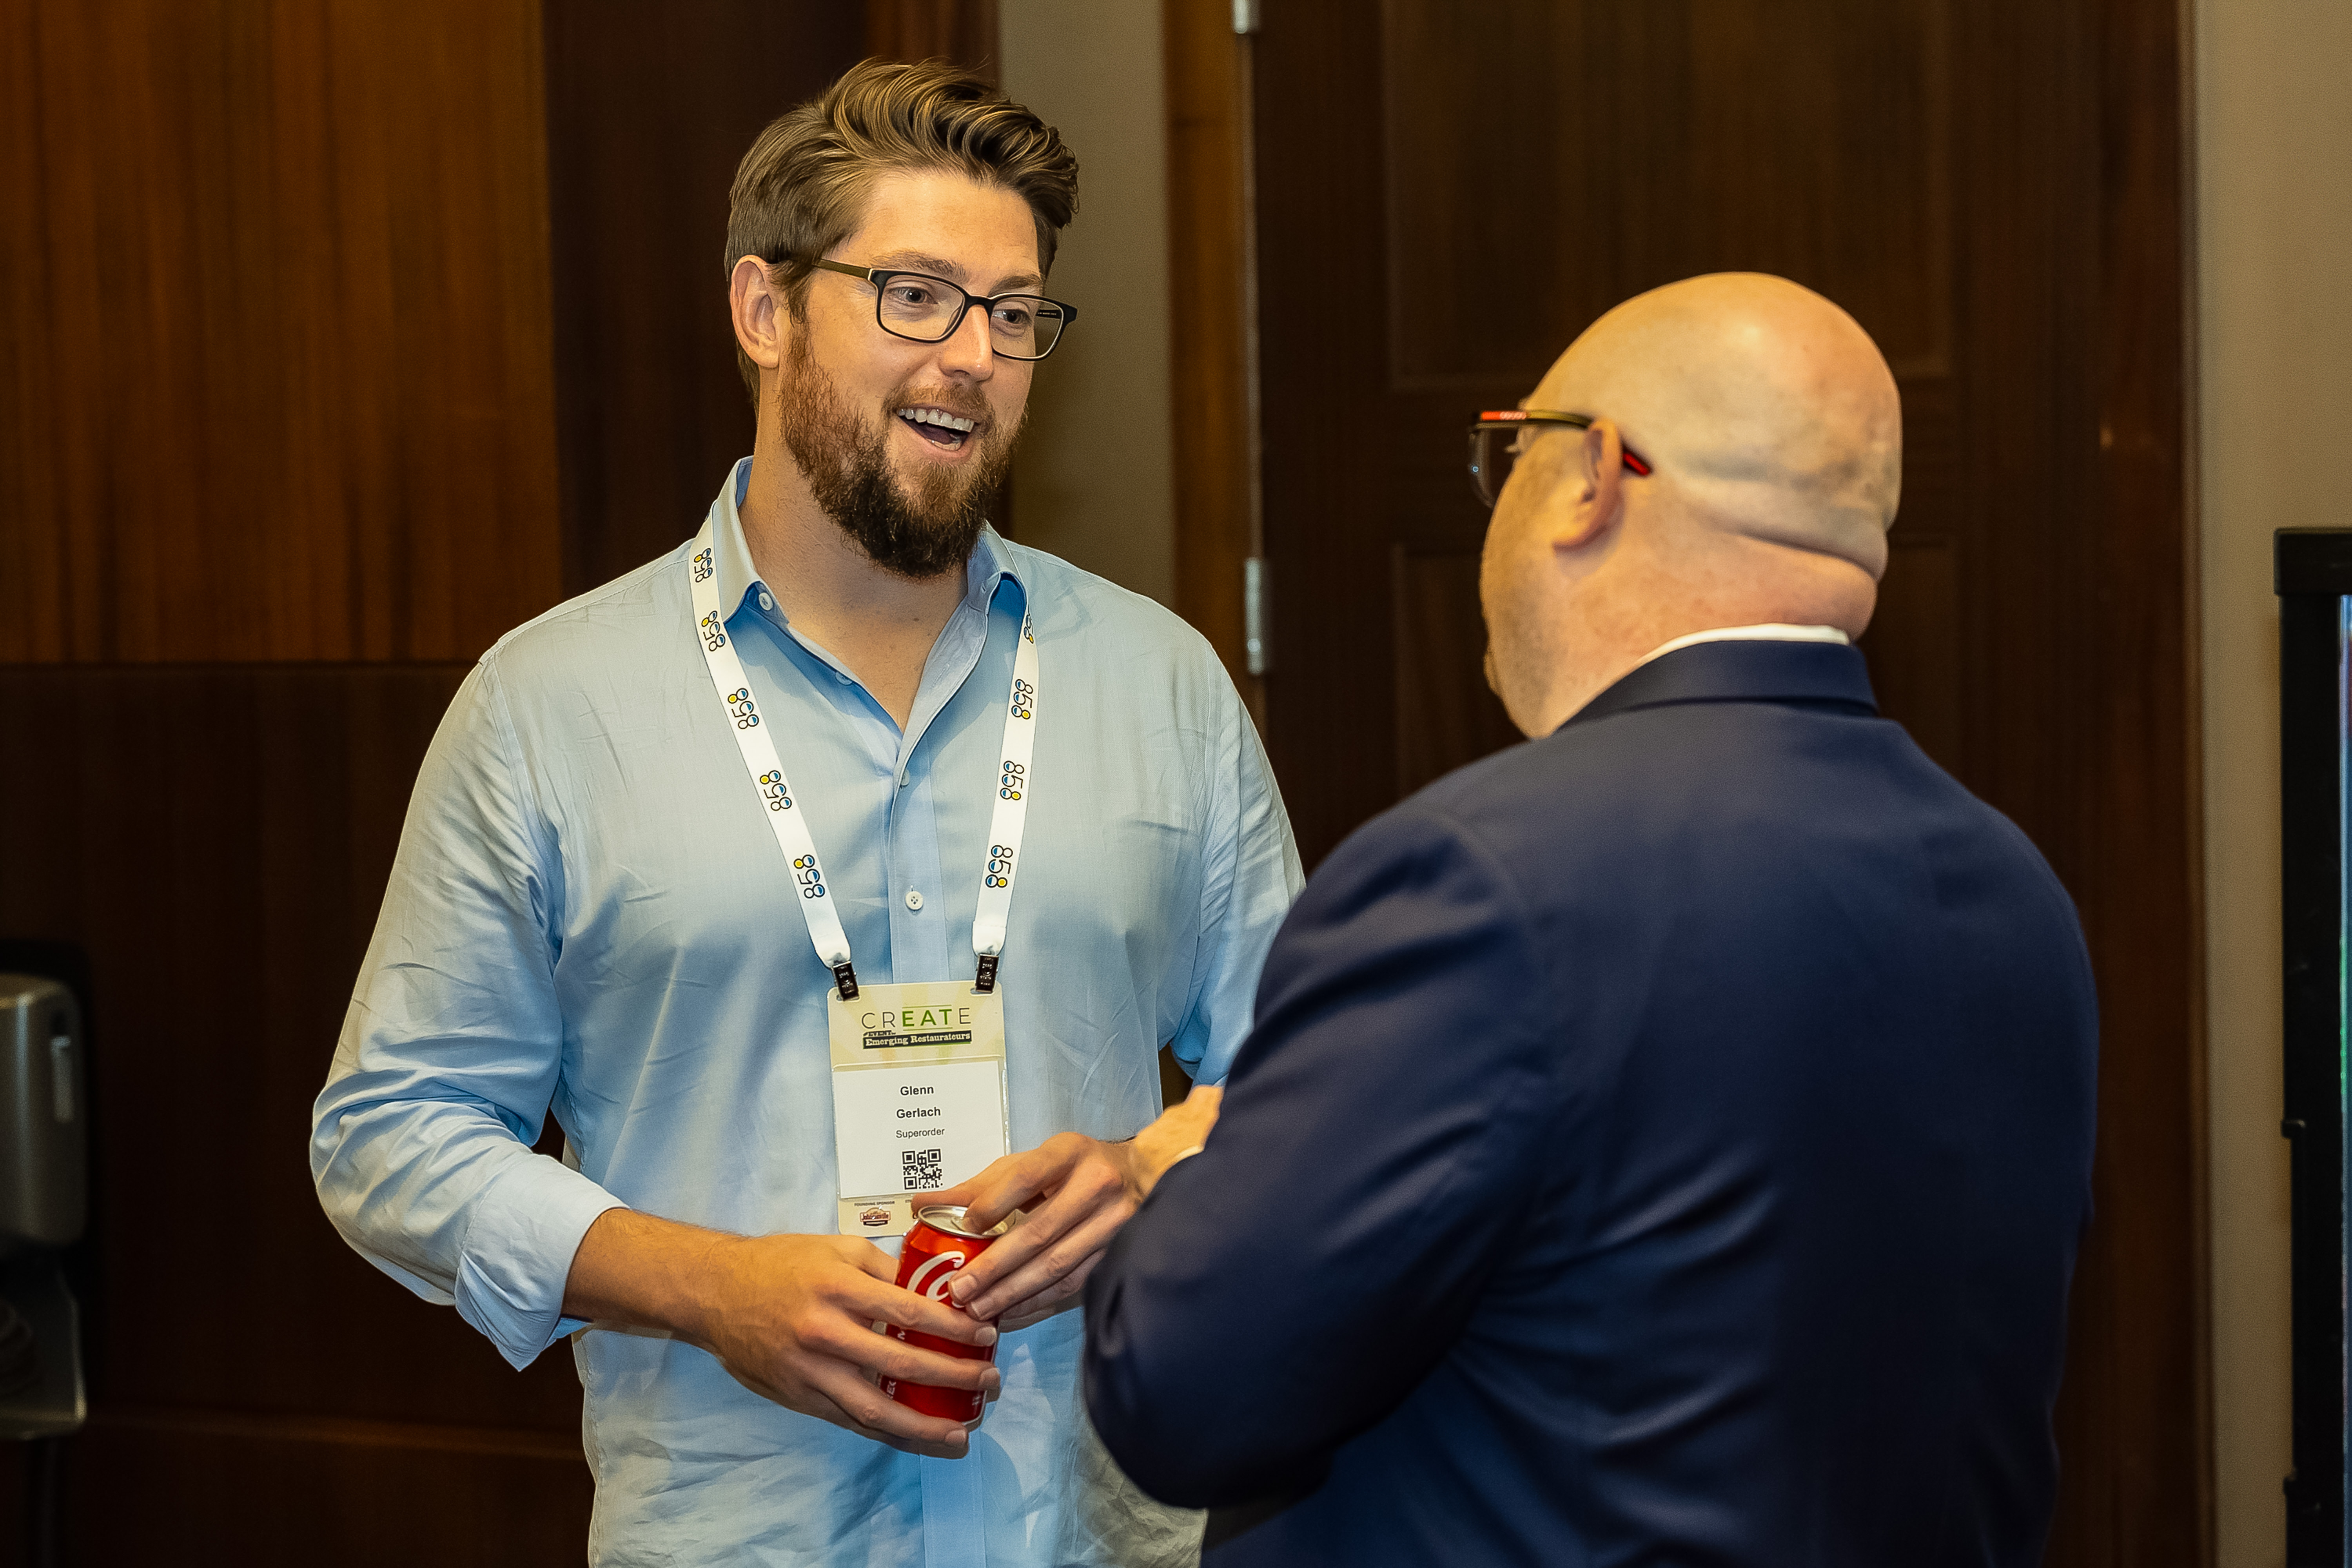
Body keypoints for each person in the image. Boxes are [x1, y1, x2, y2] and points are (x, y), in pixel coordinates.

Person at [310, 59, 1299, 1568]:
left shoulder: (1162, 684)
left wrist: (1148, 1172)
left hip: (1092, 1529)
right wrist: (707, 1285)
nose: (974, 354)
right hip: (736, 1529)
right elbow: (393, 1135)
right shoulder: (548, 708)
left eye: (1014, 312)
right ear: (763, 311)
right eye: (915, 295)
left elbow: (1306, 1073)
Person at [1080, 274, 2100, 1564]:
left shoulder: (1479, 878)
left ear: (1592, 477)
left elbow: (1181, 1400)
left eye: (1507, 452)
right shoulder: (2019, 896)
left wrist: (1196, 1176)